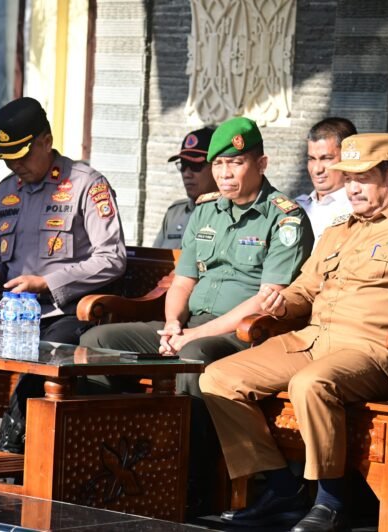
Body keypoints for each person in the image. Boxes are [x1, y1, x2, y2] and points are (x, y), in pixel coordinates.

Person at [200, 133, 388, 531]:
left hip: (371, 350)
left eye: (363, 178)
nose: (351, 187)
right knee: (218, 378)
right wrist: (282, 303)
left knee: (311, 384)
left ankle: (332, 502)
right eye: (349, 177)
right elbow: (306, 289)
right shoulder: (338, 229)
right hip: (311, 340)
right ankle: (282, 489)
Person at [80, 116, 313, 514]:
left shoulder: (284, 218)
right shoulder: (206, 211)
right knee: (96, 342)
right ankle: (114, 459)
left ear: (261, 164)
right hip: (190, 326)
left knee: (193, 357)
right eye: (218, 164)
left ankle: (194, 481)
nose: (225, 173)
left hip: (245, 336)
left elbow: (265, 301)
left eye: (235, 163)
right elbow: (183, 282)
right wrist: (173, 323)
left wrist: (190, 337)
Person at [0, 97, 126, 453]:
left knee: (44, 351)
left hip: (63, 314)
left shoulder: (86, 185)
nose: (15, 165)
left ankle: (13, 449)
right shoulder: (8, 190)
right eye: (8, 157)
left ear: (46, 141)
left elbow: (112, 259)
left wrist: (47, 283)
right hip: (10, 311)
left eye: (21, 155)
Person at [154, 127, 218, 248]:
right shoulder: (174, 214)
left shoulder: (231, 215)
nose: (187, 174)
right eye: (183, 165)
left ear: (216, 166)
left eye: (195, 165)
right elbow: (154, 257)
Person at [295, 117, 356, 242]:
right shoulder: (296, 206)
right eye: (311, 159)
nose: (317, 169)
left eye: (326, 158)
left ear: (348, 158)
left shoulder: (360, 209)